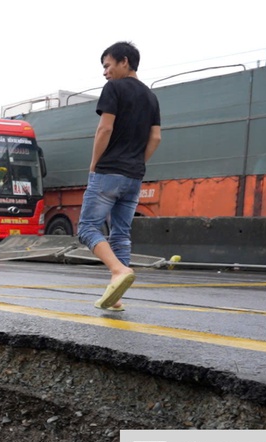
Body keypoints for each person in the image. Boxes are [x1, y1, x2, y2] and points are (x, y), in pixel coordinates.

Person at [78, 41, 161, 312]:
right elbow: (156, 137)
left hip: (108, 171)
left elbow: (104, 129)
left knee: (87, 228)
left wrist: (94, 164)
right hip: (134, 175)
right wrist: (137, 162)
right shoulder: (151, 97)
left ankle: (117, 270)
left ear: (124, 61)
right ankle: (117, 297)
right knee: (121, 234)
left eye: (107, 65)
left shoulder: (113, 88)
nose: (105, 72)